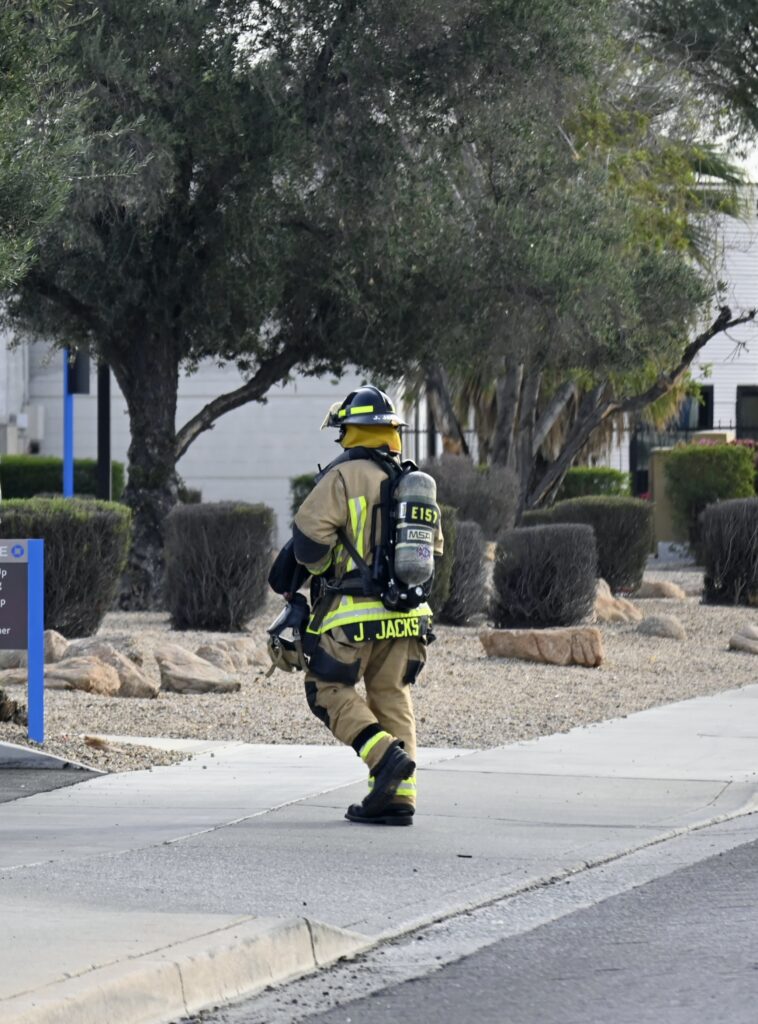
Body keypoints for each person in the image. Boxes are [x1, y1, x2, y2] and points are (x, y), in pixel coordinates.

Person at [290, 384, 443, 826]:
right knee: (392, 694)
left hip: (353, 614)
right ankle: (399, 798)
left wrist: (325, 570)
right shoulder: (413, 482)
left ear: (351, 430)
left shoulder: (342, 477)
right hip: (408, 616)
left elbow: (309, 541)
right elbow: (434, 549)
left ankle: (383, 757)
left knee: (325, 688)